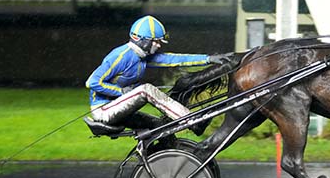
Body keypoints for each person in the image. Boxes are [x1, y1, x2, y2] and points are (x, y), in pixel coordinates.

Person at [86, 15, 231, 131]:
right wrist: (122, 91)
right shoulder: (120, 56)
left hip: (121, 108)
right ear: (139, 39)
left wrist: (208, 59)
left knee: (161, 126)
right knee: (145, 90)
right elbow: (92, 82)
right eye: (155, 41)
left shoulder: (143, 56)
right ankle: (192, 120)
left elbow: (174, 59)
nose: (159, 45)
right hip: (103, 110)